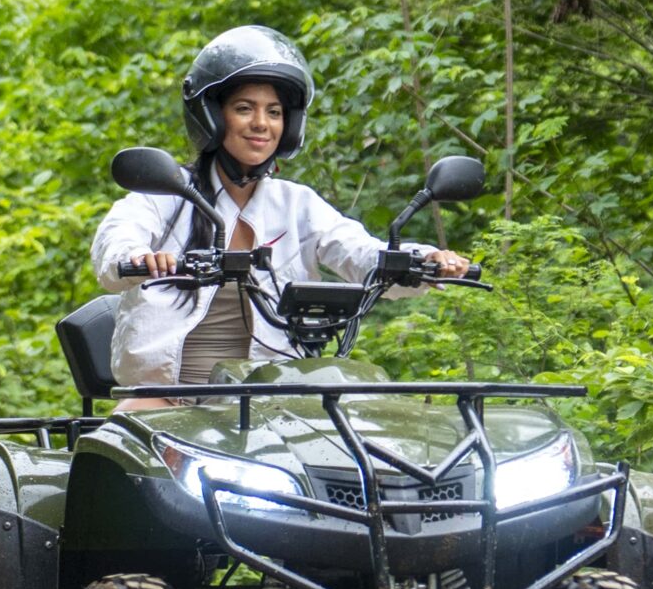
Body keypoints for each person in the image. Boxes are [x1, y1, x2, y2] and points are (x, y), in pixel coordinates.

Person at [91, 26, 472, 406]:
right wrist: (139, 257)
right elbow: (117, 240)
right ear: (213, 116)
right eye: (244, 109)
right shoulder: (168, 194)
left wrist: (424, 260)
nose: (262, 123)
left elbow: (360, 253)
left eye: (273, 112)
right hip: (171, 398)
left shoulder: (296, 204)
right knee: (130, 432)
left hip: (273, 404)